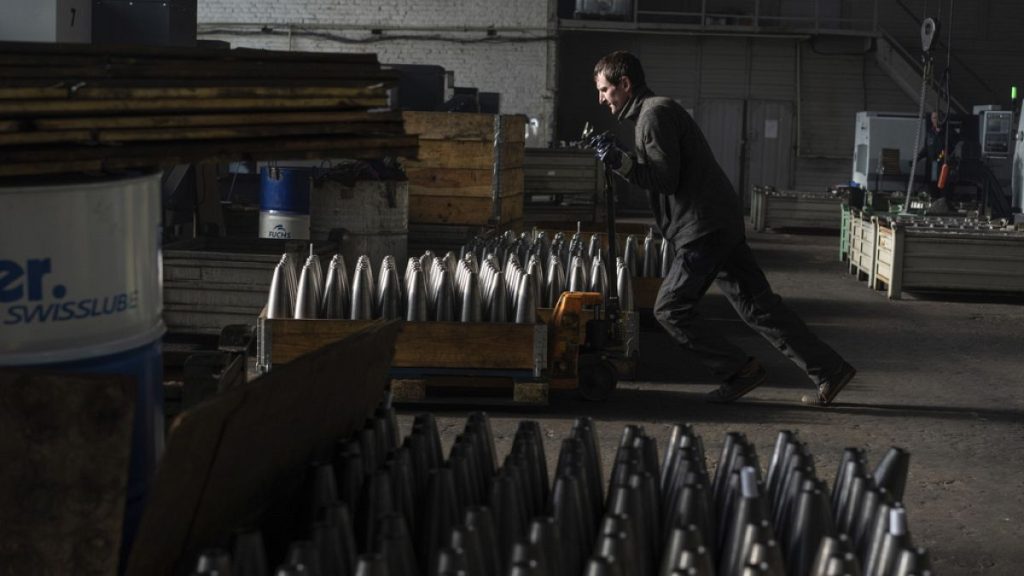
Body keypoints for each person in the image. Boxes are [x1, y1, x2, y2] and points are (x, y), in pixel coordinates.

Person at [590, 50, 855, 406]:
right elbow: (664, 169)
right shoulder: (655, 113)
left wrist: (622, 164)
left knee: (670, 309)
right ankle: (829, 369)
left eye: (605, 89)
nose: (602, 98)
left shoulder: (653, 115)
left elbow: (665, 180)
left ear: (624, 84)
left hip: (703, 229)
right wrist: (625, 157)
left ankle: (739, 371)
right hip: (717, 221)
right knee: (759, 307)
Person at [917, 110, 956, 212]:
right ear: (931, 119)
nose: (936, 120)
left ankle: (945, 209)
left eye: (938, 118)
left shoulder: (948, 133)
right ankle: (934, 208)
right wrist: (917, 158)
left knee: (944, 189)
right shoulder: (930, 133)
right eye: (934, 118)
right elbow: (926, 149)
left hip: (944, 166)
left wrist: (947, 157)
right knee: (933, 188)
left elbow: (954, 148)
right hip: (933, 166)